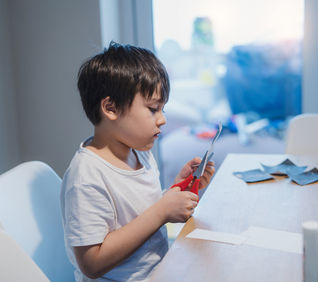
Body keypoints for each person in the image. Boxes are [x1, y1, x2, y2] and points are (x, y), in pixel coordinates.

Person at [60, 42, 215, 282]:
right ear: (110, 108)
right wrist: (163, 211)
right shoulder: (86, 177)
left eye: (162, 109)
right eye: (153, 109)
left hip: (159, 271)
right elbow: (92, 263)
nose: (162, 119)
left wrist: (178, 189)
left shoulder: (139, 152)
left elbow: (140, 213)